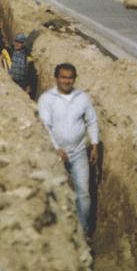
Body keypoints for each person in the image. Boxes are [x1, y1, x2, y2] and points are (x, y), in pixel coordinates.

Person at [38, 63, 99, 235]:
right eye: (63, 77)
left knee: (84, 194)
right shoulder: (47, 99)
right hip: (55, 154)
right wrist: (57, 148)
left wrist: (94, 145)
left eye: (70, 77)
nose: (67, 81)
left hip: (79, 153)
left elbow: (92, 121)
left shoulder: (82, 98)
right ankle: (62, 234)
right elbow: (45, 127)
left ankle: (83, 232)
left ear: (75, 78)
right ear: (56, 78)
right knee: (57, 193)